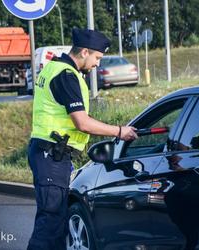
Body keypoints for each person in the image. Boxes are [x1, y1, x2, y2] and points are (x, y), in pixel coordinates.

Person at [27, 28, 138, 250]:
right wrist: (119, 131)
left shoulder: (53, 67)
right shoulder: (67, 75)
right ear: (84, 52)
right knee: (50, 225)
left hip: (47, 153)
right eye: (97, 57)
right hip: (52, 156)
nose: (98, 64)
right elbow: (82, 123)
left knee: (56, 224)